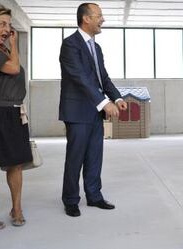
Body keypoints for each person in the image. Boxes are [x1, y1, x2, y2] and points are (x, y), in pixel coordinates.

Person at [59, 3, 127, 217]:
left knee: (94, 156)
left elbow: (102, 78)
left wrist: (116, 97)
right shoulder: (70, 45)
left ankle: (94, 196)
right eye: (99, 15)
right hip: (77, 111)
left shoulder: (96, 47)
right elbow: (80, 77)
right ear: (85, 19)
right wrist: (104, 102)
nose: (103, 19)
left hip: (94, 111)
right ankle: (70, 200)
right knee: (75, 158)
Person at [0, 6, 31, 229]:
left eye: (9, 24)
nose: (7, 28)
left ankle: (17, 208)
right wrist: (14, 44)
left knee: (16, 164)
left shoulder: (3, 51)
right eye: (1, 23)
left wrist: (9, 46)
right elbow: (13, 69)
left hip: (13, 112)